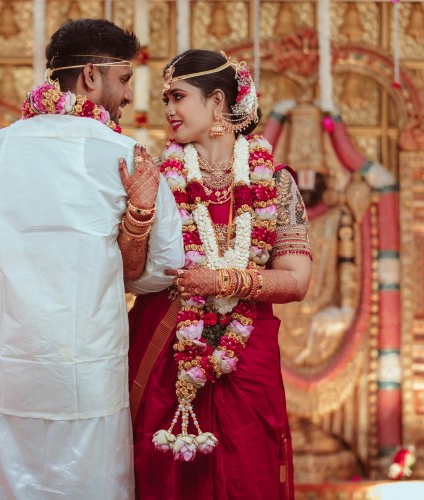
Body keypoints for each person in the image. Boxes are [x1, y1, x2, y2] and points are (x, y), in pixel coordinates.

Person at [0, 19, 184, 499]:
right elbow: (165, 267)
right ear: (91, 78)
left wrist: (15, 317)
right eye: (123, 79)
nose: (125, 95)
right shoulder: (126, 155)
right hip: (88, 370)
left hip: (9, 366)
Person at [127, 49, 313, 499]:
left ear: (216, 102)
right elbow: (130, 274)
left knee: (247, 475)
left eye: (177, 96)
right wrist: (139, 212)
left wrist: (224, 281)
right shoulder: (157, 178)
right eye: (166, 98)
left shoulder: (277, 182)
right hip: (168, 353)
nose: (168, 109)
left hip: (246, 358)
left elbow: (297, 280)